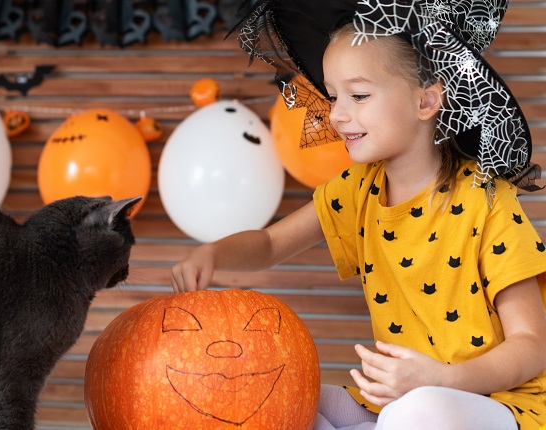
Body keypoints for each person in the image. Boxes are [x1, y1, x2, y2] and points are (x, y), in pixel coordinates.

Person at [171, 1, 546, 429]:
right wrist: (213, 255)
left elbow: (531, 344)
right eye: (333, 96)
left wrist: (444, 379)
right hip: (397, 402)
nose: (337, 114)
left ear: (425, 100)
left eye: (359, 95)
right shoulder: (357, 189)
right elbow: (272, 243)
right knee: (287, 396)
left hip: (497, 403)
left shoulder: (485, 199)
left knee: (420, 411)